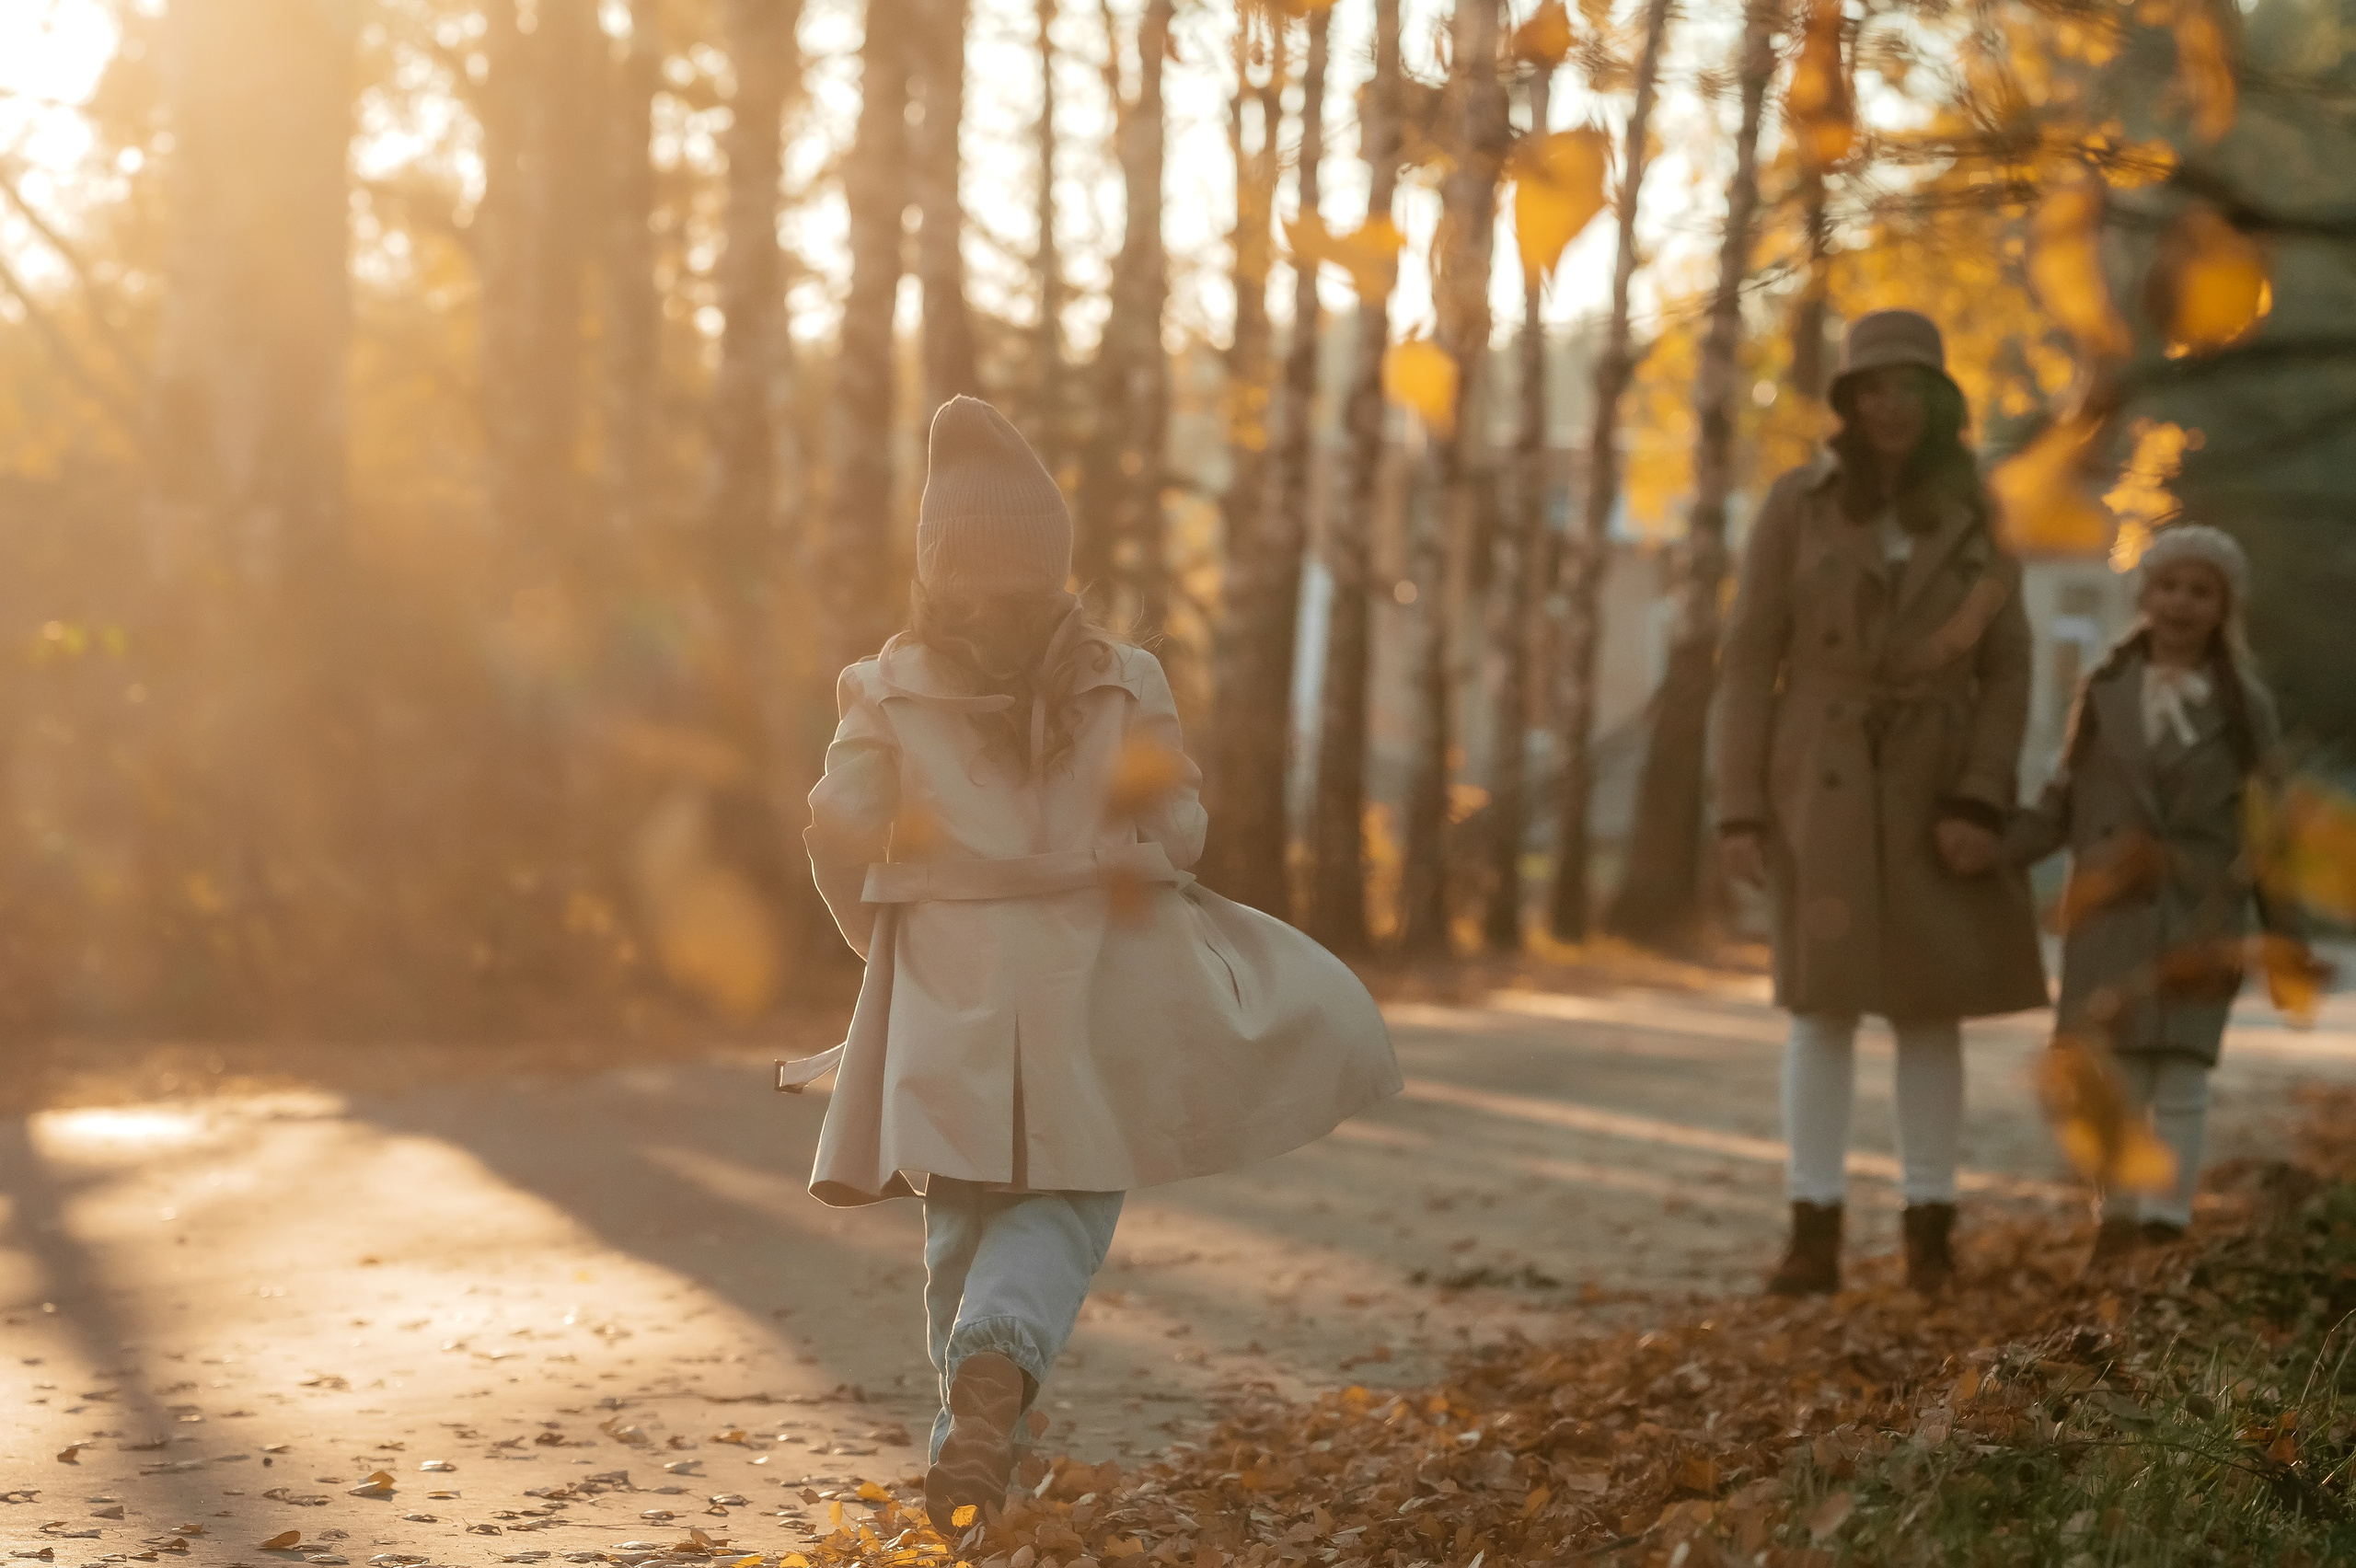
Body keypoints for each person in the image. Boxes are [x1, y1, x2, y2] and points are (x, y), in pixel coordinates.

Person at [785, 396, 1401, 1530]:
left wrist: (878, 941)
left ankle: (972, 1462)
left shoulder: (882, 689)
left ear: (936, 563)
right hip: (1089, 979)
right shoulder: (1123, 681)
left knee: (961, 1221)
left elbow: (835, 828)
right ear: (1052, 566)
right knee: (1062, 1203)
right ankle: (991, 1379)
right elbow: (1175, 832)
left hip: (943, 983)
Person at [1715, 309, 2049, 1297]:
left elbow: (2009, 664)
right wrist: (1735, 806)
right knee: (1819, 1009)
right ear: (1848, 404)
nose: (1888, 406)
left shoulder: (1982, 509)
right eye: (1870, 389)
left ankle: (1928, 1231)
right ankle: (1810, 1231)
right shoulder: (1798, 501)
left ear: (1938, 400)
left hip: (1935, 780)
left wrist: (1981, 798)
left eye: (1906, 387)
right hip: (1814, 776)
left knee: (1927, 1009)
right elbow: (1745, 659)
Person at [2006, 524, 2315, 1263]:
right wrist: (1998, 848)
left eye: (2200, 591)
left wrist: (2286, 942)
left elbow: (2274, 833)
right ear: (2143, 593)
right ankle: (2115, 1224)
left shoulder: (2244, 706)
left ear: (2223, 607)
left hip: (2199, 914)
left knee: (2181, 1075)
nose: (2181, 602)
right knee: (2115, 1079)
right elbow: (2063, 795)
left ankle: (2165, 1228)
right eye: (2169, 585)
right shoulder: (2105, 688)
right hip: (2111, 912)